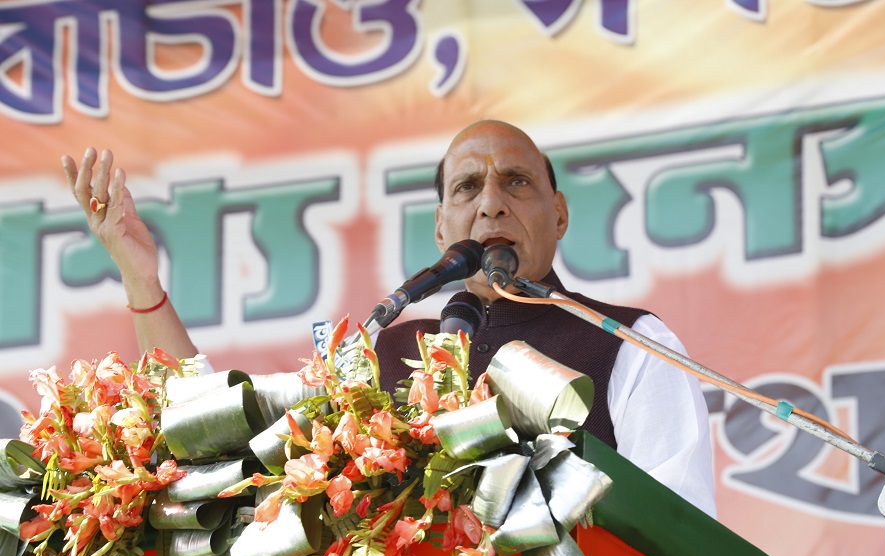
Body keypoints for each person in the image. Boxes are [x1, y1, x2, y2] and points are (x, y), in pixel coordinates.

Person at [61, 120, 717, 517]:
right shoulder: (382, 350)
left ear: (561, 215)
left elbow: (686, 532)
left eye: (516, 182)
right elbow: (222, 442)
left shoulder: (629, 344)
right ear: (442, 229)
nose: (490, 203)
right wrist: (142, 280)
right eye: (466, 187)